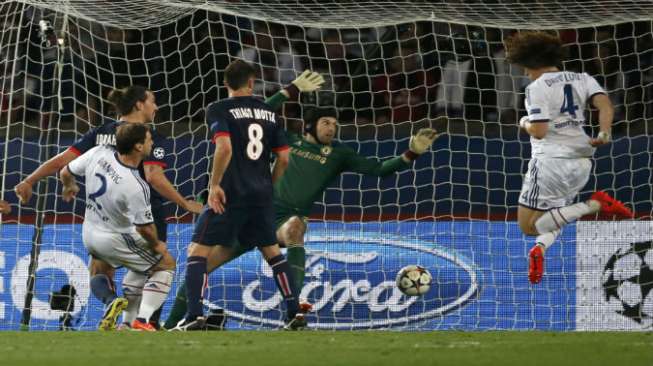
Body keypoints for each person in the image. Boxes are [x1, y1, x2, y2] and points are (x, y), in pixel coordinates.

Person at [164, 106, 438, 329]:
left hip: (283, 220)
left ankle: (293, 310)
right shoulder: (287, 140)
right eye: (326, 122)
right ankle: (172, 323)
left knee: (296, 228)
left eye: (334, 123)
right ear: (309, 126)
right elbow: (250, 116)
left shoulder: (339, 154)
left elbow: (379, 170)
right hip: (253, 212)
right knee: (204, 266)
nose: (332, 128)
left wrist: (411, 153)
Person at [15, 85, 202, 329]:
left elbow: (63, 163)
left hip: (102, 221)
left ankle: (118, 313)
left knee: (102, 273)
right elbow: (154, 175)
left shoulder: (101, 135)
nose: (156, 106)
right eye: (153, 101)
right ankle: (142, 322)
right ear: (139, 105)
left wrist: (30, 180)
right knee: (157, 266)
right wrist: (184, 203)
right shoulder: (148, 137)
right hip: (144, 217)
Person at [173, 60, 305, 331]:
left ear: (225, 84)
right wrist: (269, 183)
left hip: (231, 192)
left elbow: (224, 147)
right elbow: (284, 157)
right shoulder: (269, 112)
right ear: (251, 83)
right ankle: (294, 312)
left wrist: (215, 185)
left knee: (197, 252)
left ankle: (195, 315)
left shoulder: (219, 108)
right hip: (261, 194)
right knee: (272, 252)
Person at [504, 31, 633, 284]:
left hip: (551, 161)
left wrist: (524, 121)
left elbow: (539, 132)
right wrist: (604, 132)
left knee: (528, 226)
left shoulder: (536, 88)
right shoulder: (582, 78)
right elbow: (605, 106)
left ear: (526, 60)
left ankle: (596, 204)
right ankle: (540, 249)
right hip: (582, 160)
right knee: (557, 214)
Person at [59, 123, 175, 331]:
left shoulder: (98, 152)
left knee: (99, 272)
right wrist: (157, 245)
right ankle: (143, 320)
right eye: (149, 139)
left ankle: (115, 307)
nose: (152, 142)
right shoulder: (135, 185)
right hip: (115, 238)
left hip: (89, 233)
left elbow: (65, 171)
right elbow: (145, 229)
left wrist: (70, 185)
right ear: (139, 147)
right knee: (165, 264)